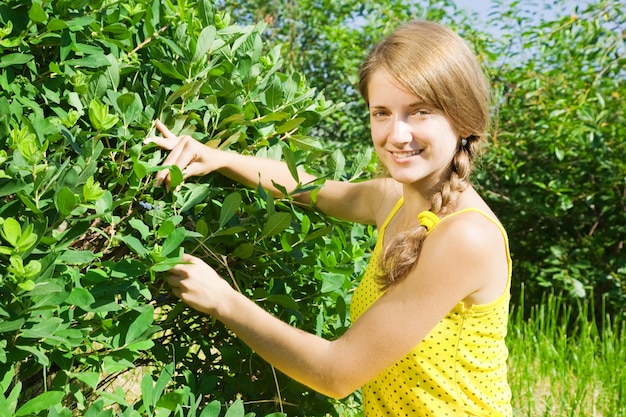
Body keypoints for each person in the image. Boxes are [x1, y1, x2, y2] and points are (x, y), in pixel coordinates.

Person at [145, 19, 513, 417]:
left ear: (463, 119)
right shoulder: (392, 199)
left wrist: (223, 300)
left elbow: (336, 374)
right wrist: (219, 158)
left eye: (419, 112)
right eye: (381, 112)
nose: (397, 134)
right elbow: (313, 189)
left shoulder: (465, 237)